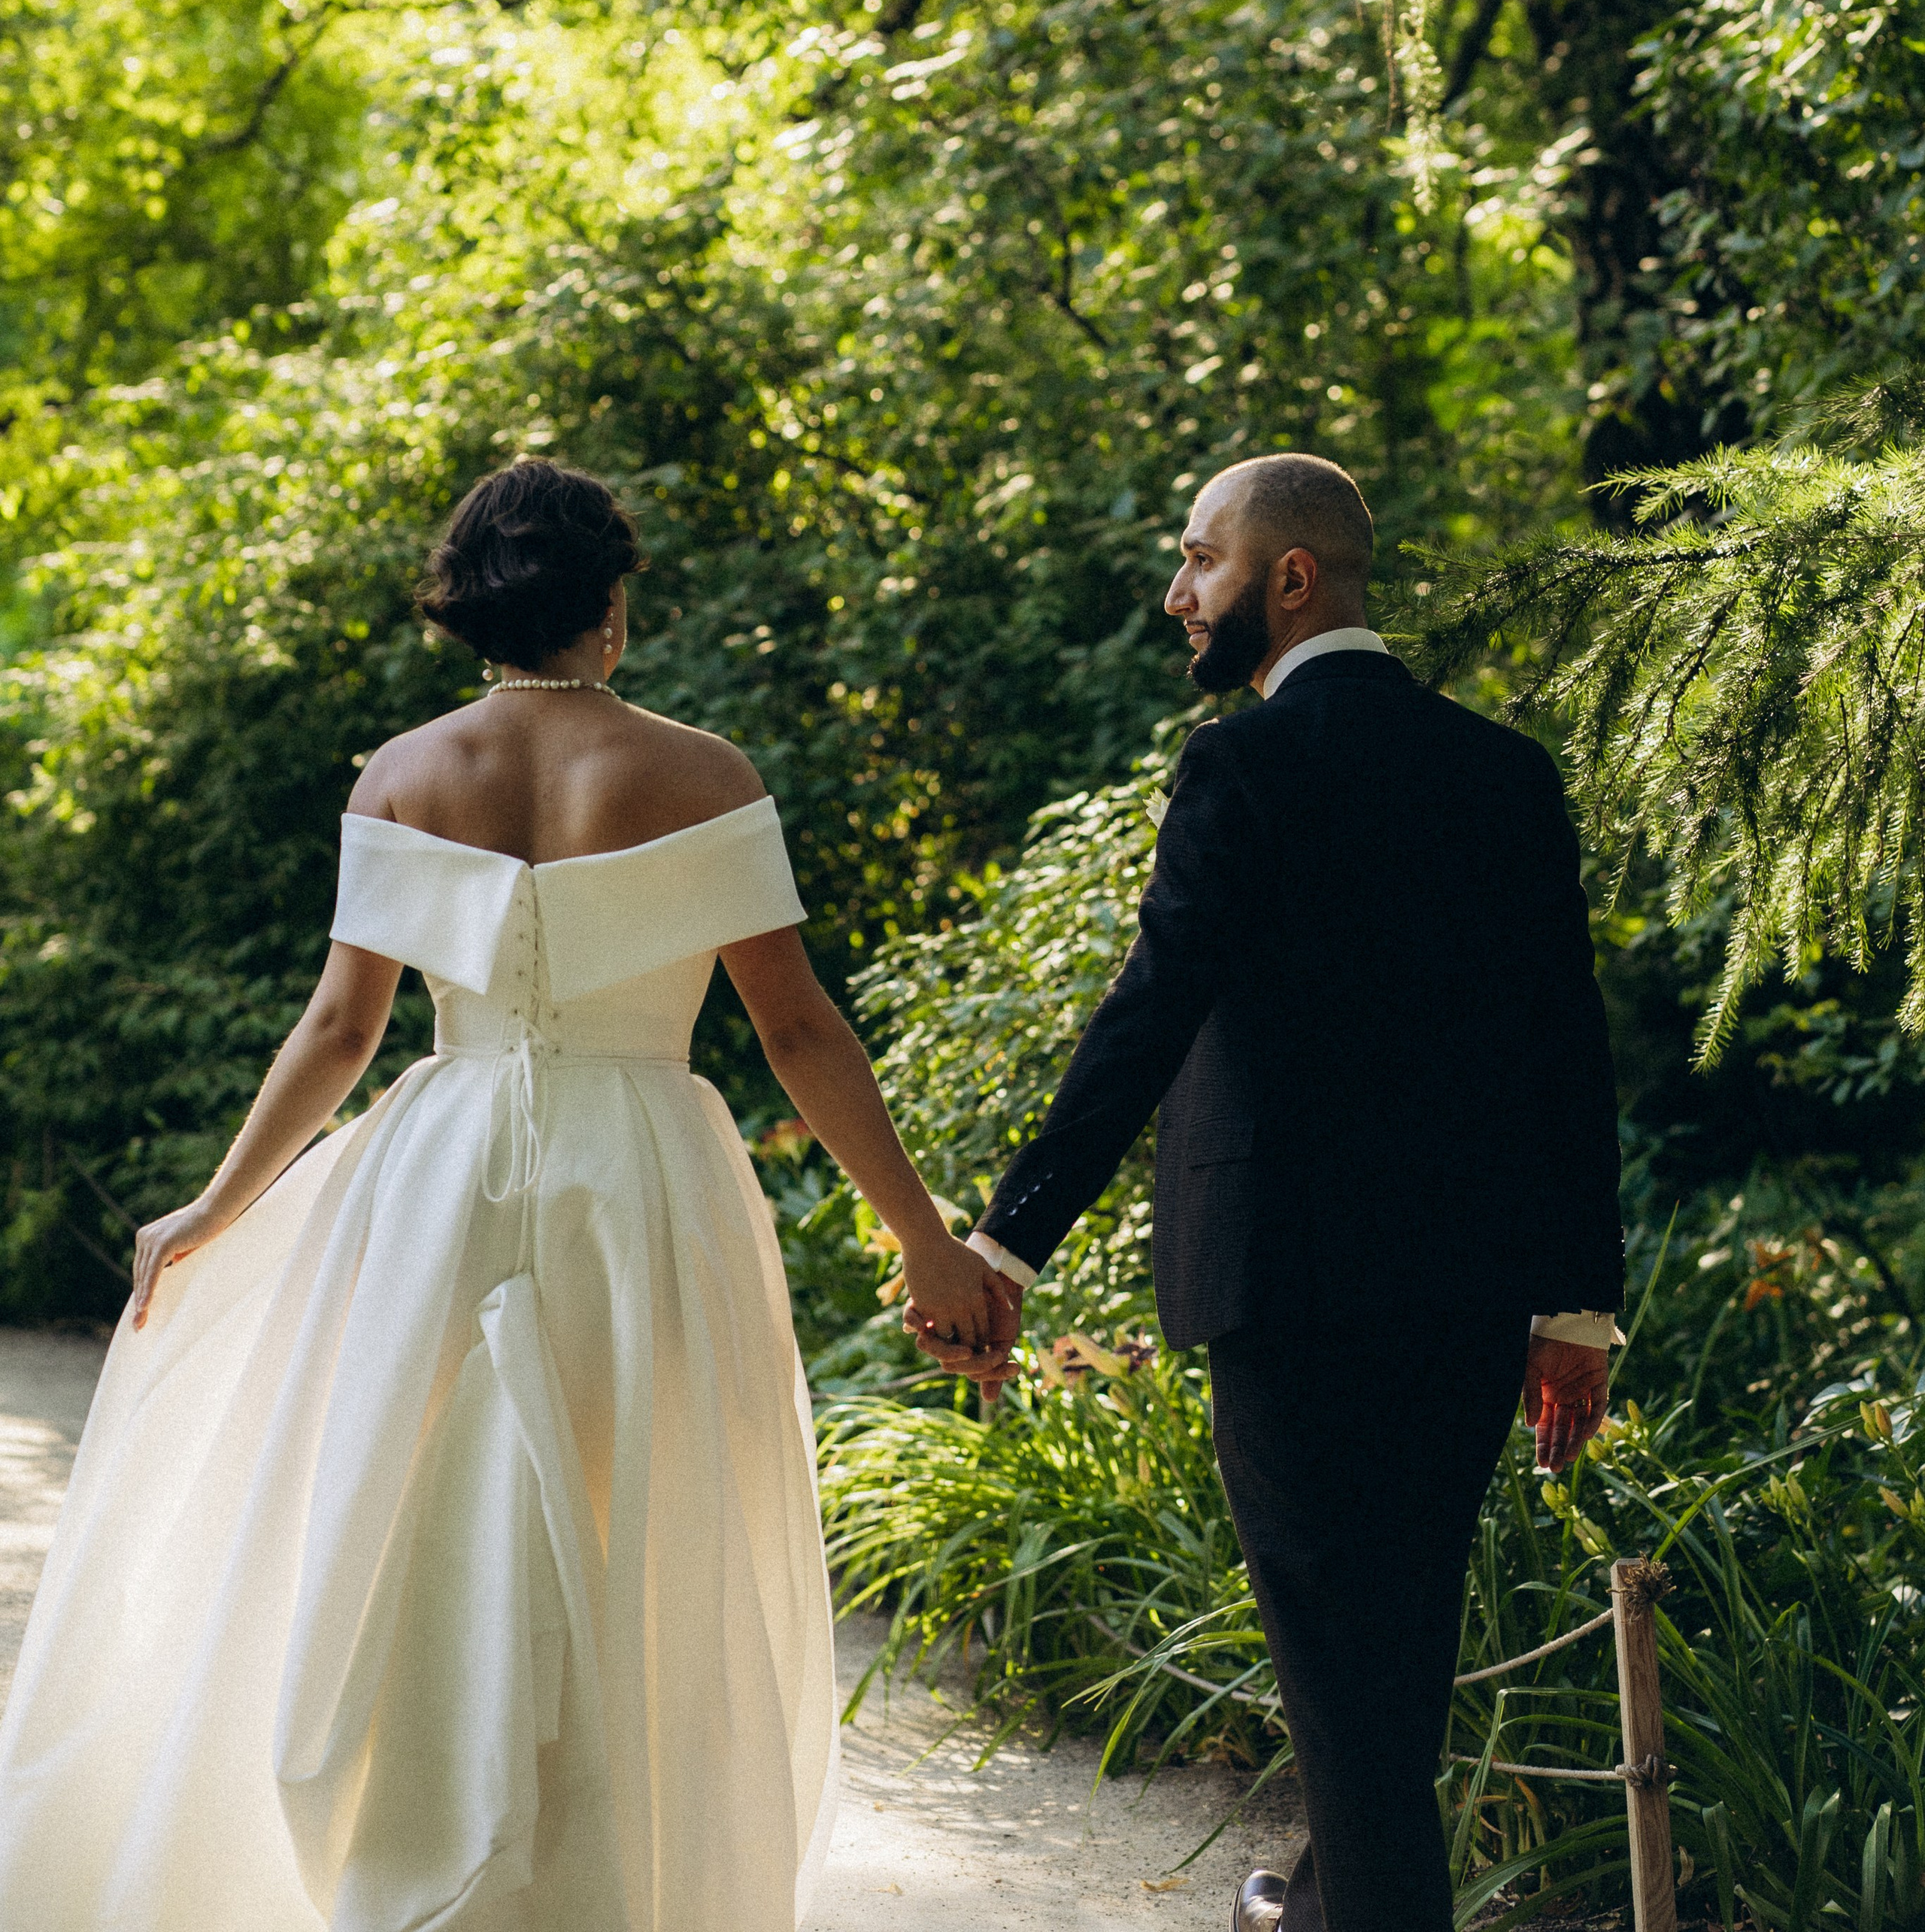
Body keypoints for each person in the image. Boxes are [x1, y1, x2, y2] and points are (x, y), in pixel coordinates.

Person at [0, 456, 997, 1932]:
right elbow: (794, 1031)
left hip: (443, 1164)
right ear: (610, 604)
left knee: (412, 1512)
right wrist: (925, 1242)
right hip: (639, 1167)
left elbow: (342, 1030)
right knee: (640, 1512)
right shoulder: (703, 773)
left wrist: (211, 1209)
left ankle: (420, 1850)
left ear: (475, 603)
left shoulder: (403, 772)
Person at [912, 453, 1624, 1932]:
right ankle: (1298, 1910)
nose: (1178, 595)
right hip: (1466, 1296)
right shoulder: (1504, 773)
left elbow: (1148, 1013)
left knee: (1343, 1678)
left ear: (1285, 579)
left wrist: (1002, 1241)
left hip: (1287, 1296)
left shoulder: (1244, 768)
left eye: (1198, 561)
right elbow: (1565, 1048)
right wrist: (1574, 1306)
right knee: (1387, 1673)